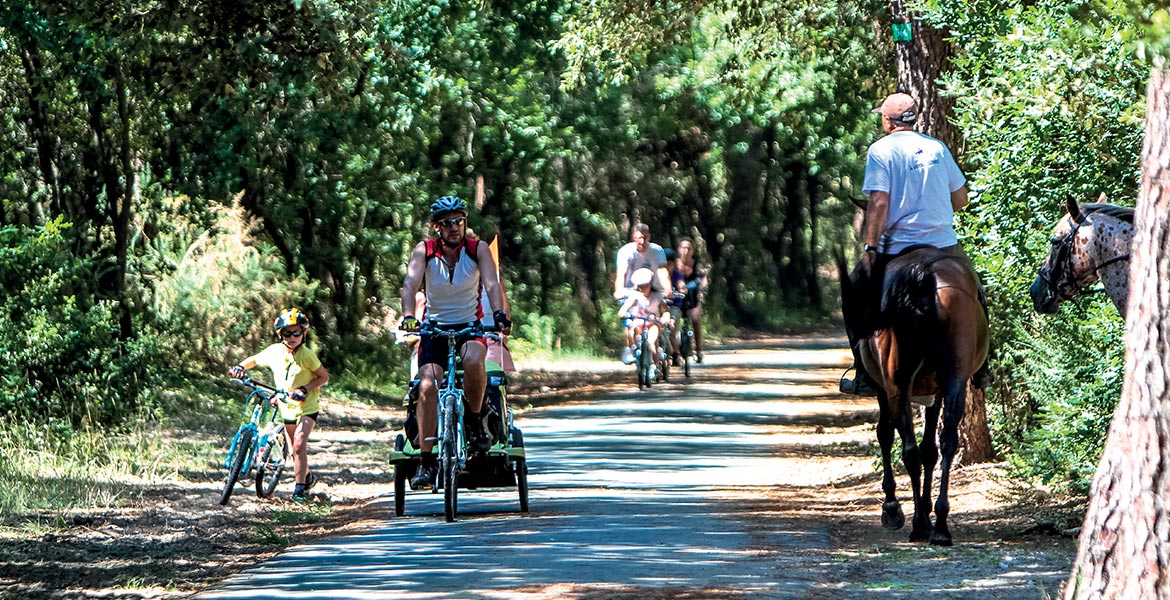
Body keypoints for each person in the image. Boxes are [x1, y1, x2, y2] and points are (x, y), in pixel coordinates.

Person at [840, 92, 991, 394]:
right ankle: (983, 366)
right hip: (943, 245)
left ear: (887, 120)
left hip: (897, 247)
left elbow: (879, 202)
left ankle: (863, 372)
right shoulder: (937, 148)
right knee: (976, 290)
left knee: (855, 290)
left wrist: (871, 247)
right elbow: (961, 199)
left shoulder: (881, 151)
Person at [399, 195, 511, 491]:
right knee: (426, 386)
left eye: (459, 221)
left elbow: (491, 283)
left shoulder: (478, 250)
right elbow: (410, 284)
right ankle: (426, 460)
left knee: (474, 360)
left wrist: (499, 314)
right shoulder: (425, 251)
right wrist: (409, 315)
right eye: (448, 223)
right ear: (437, 227)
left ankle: (476, 421)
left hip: (470, 326)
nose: (455, 227)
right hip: (434, 329)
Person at [229, 307, 330, 502]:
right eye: (287, 333)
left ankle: (299, 490)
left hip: (306, 407)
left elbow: (323, 377)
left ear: (304, 333)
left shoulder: (307, 355)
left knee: (300, 444)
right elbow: (254, 360)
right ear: (280, 334)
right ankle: (307, 477)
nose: (292, 337)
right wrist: (239, 367)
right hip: (286, 406)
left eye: (296, 332)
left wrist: (304, 389)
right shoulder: (275, 351)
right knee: (293, 450)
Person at [613, 223, 670, 364]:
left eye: (645, 238)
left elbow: (662, 271)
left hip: (654, 287)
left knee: (659, 313)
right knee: (629, 317)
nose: (642, 241)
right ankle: (629, 347)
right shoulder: (625, 252)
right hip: (631, 289)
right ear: (633, 237)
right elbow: (621, 273)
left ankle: (660, 349)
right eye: (639, 238)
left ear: (649, 236)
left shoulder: (657, 250)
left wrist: (668, 288)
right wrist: (619, 290)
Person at [619, 268, 668, 379]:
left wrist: (665, 318)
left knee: (651, 341)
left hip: (654, 323)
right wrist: (623, 313)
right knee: (631, 333)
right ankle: (635, 352)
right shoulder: (635, 296)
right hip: (639, 322)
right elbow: (625, 307)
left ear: (650, 283)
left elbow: (665, 311)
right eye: (640, 285)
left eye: (645, 285)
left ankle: (654, 365)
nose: (643, 288)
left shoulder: (657, 296)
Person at [671, 237, 708, 364]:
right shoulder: (674, 264)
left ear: (692, 250)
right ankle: (675, 352)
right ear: (679, 249)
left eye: (689, 248)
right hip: (676, 297)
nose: (686, 251)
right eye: (683, 248)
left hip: (692, 297)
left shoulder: (696, 265)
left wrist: (703, 291)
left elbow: (703, 278)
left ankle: (698, 350)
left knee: (696, 319)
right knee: (672, 322)